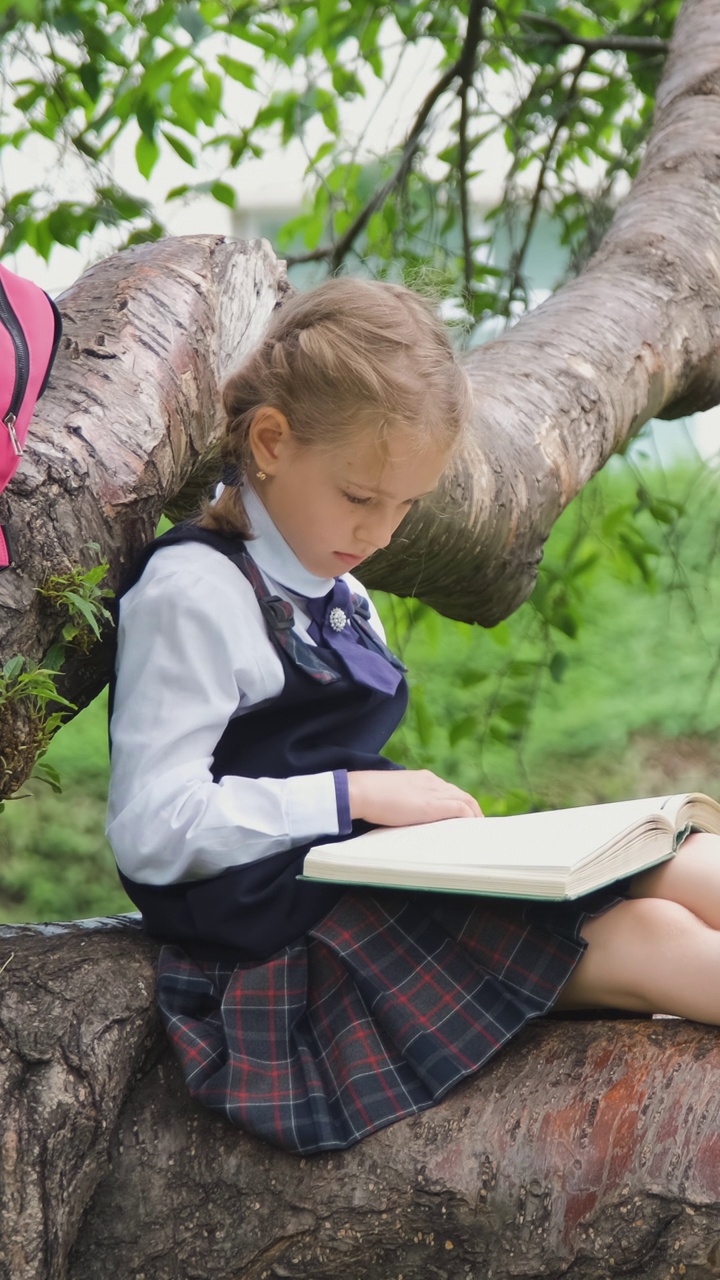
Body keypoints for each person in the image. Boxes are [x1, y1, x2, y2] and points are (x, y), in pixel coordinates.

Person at [107, 276, 720, 1156]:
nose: (384, 531)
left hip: (362, 879)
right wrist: (350, 796)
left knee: (685, 859)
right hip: (284, 939)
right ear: (271, 442)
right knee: (650, 938)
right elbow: (151, 830)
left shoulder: (341, 588)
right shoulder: (197, 590)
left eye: (405, 505)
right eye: (363, 498)